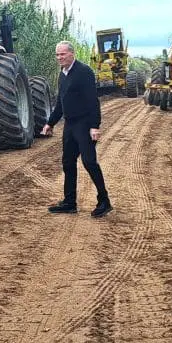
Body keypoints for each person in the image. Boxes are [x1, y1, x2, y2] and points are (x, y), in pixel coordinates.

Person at [40, 41, 112, 217]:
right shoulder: (62, 74)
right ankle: (69, 202)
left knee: (89, 162)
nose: (59, 58)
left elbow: (92, 101)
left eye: (62, 54)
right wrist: (50, 123)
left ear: (72, 54)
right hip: (70, 125)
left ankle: (104, 201)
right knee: (67, 162)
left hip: (85, 124)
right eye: (57, 55)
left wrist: (95, 126)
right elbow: (60, 103)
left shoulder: (84, 72)